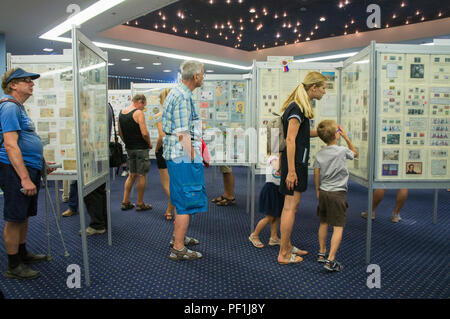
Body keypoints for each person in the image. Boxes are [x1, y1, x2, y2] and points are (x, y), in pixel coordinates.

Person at [0, 68, 56, 279]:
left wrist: (39, 161)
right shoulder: (9, 107)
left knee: (23, 214)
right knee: (15, 217)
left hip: (28, 167)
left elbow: (25, 141)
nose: (32, 84)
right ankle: (13, 266)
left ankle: (22, 253)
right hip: (15, 171)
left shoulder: (19, 107)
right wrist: (24, 177)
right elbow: (10, 145)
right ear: (13, 85)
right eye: (26, 81)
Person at [277, 71, 327, 265]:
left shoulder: (301, 107)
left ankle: (287, 245)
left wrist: (323, 132)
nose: (324, 92)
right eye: (322, 88)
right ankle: (283, 253)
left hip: (297, 163)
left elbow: (301, 136)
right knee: (290, 208)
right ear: (313, 88)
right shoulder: (297, 108)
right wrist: (291, 171)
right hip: (294, 165)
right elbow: (290, 140)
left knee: (292, 207)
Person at [162, 60, 207, 261]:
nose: (203, 77)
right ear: (196, 76)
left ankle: (177, 237)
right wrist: (193, 159)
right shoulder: (182, 97)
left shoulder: (179, 93)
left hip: (177, 156)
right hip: (183, 157)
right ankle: (178, 248)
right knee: (187, 201)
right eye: (203, 74)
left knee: (182, 198)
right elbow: (182, 133)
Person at [61, 103, 113, 235]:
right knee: (99, 190)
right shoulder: (105, 106)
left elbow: (86, 135)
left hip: (91, 154)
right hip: (99, 152)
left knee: (92, 192)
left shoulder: (89, 112)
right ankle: (101, 222)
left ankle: (97, 224)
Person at [314, 120, 358, 272]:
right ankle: (330, 260)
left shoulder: (319, 153)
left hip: (324, 192)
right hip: (338, 194)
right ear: (336, 135)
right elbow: (355, 153)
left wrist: (317, 190)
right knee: (338, 227)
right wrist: (346, 138)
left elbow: (316, 173)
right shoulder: (341, 151)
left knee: (324, 222)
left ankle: (321, 252)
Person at [118, 94, 153, 211]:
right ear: (140, 102)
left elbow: (120, 133)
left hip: (130, 148)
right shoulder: (138, 113)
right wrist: (149, 143)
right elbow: (144, 133)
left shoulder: (121, 113)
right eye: (143, 106)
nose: (143, 108)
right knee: (141, 175)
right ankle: (140, 203)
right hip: (141, 148)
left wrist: (127, 142)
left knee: (132, 174)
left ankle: (125, 201)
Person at [248, 154, 283, 248]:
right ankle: (254, 235)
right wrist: (282, 155)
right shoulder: (273, 158)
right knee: (270, 217)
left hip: (278, 190)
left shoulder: (279, 158)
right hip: (270, 189)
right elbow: (277, 167)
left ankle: (274, 237)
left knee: (277, 215)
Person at [155, 88, 176, 220]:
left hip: (164, 150)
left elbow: (162, 136)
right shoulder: (178, 114)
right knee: (174, 182)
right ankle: (169, 210)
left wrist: (156, 149)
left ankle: (178, 206)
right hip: (177, 150)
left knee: (166, 184)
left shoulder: (160, 115)